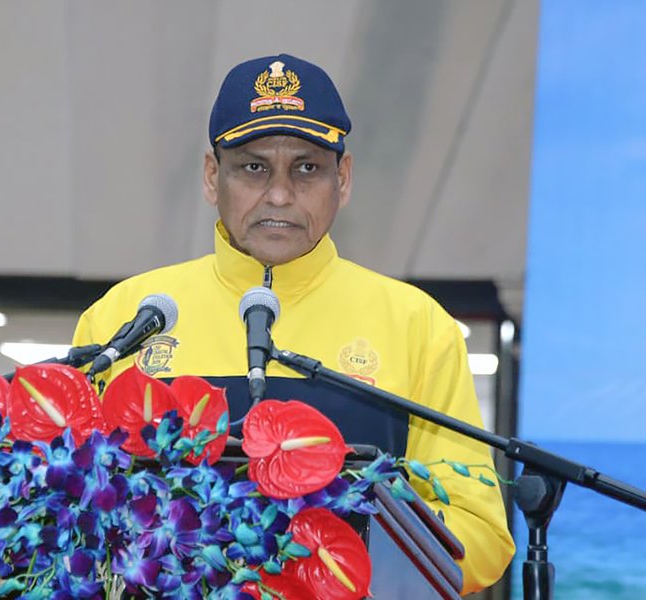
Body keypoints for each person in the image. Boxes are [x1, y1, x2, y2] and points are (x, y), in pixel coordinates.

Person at [73, 53, 515, 593]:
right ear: (213, 177)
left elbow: (480, 532)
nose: (279, 194)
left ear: (343, 178)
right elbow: (71, 501)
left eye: (306, 168)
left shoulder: (417, 325)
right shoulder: (125, 315)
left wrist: (331, 570)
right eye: (254, 167)